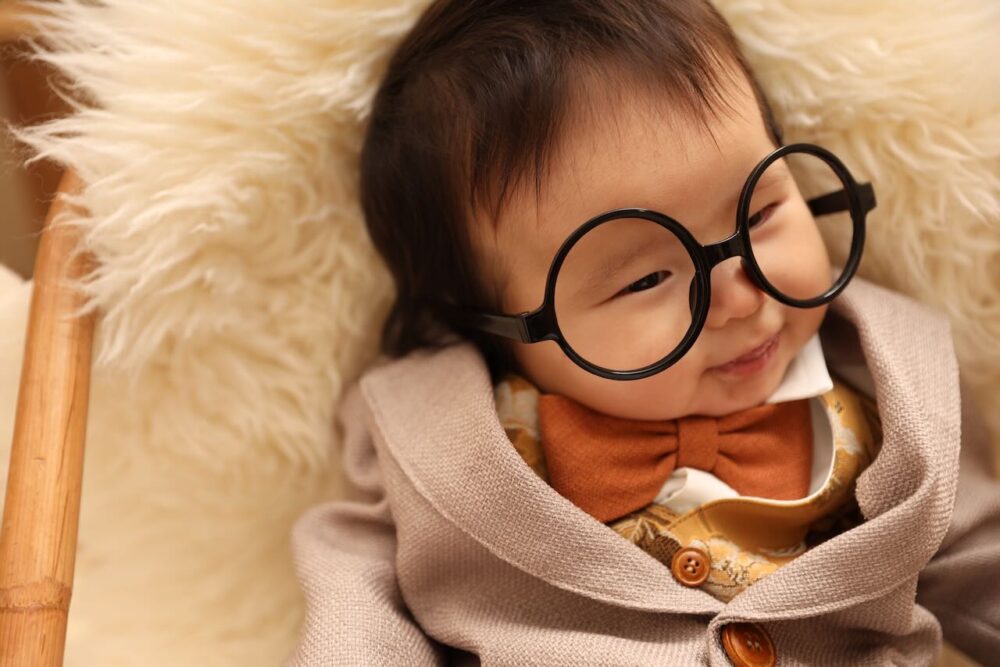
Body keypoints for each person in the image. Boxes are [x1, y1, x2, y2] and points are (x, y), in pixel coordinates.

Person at [284, 1, 1000, 665]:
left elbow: (978, 559)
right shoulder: (435, 443)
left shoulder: (897, 391)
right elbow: (359, 601)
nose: (739, 296)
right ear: (496, 324)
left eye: (758, 215)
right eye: (646, 279)